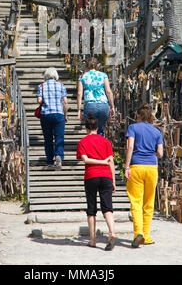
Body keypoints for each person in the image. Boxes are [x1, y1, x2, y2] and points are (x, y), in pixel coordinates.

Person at [124, 103, 163, 248]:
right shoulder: (156, 132)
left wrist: (126, 166)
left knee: (136, 201)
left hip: (136, 166)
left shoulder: (133, 128)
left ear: (139, 116)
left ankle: (137, 233)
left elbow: (130, 147)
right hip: (152, 168)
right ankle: (146, 236)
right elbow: (160, 153)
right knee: (149, 203)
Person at [76, 114, 116, 250]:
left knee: (91, 208)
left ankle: (93, 240)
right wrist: (113, 180)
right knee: (108, 207)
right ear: (98, 128)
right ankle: (112, 232)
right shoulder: (106, 142)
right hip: (106, 176)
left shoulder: (82, 142)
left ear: (86, 128)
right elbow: (111, 162)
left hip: (91, 176)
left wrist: (99, 162)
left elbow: (86, 160)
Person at [37, 67, 68, 170]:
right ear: (56, 76)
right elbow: (65, 102)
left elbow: (39, 100)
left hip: (46, 114)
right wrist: (66, 115)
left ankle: (50, 161)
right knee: (59, 137)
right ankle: (59, 155)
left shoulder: (41, 86)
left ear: (46, 76)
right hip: (59, 114)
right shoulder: (61, 86)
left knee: (48, 139)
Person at [77, 57, 115, 136]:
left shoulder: (82, 77)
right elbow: (108, 91)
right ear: (97, 65)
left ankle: (91, 147)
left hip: (90, 105)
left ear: (87, 66)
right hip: (103, 105)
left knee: (91, 130)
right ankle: (100, 146)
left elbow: (79, 93)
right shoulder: (103, 75)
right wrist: (112, 106)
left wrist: (79, 110)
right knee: (100, 129)